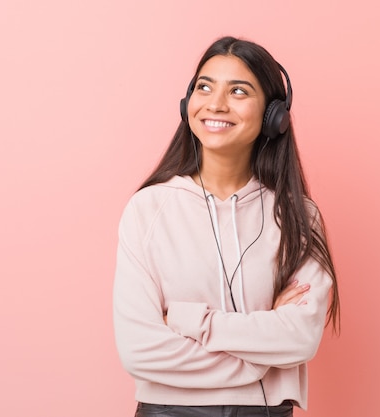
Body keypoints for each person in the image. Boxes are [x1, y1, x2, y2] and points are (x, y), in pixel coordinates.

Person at [113, 36, 340, 417]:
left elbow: (300, 339)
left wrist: (190, 321)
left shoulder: (299, 216)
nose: (216, 104)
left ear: (274, 116)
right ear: (188, 104)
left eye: (238, 91)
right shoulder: (148, 209)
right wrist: (260, 359)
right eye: (205, 87)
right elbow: (139, 349)